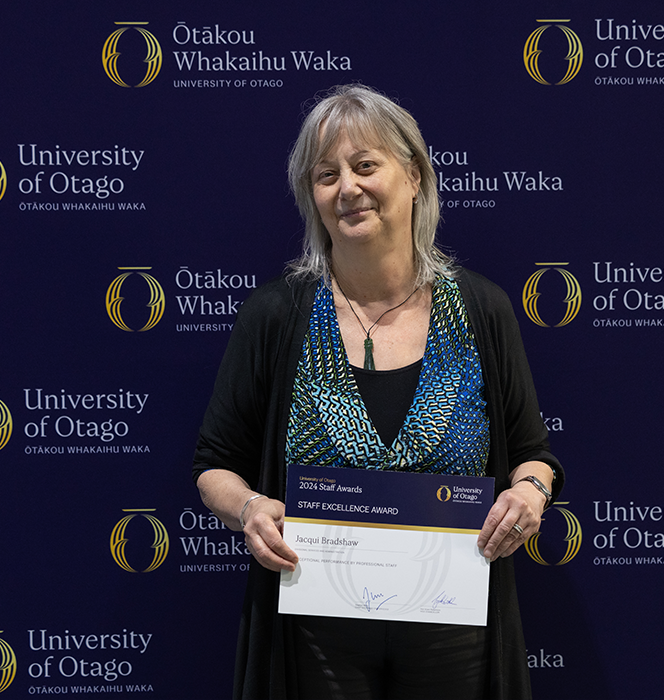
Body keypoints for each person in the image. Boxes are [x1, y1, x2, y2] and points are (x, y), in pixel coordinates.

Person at [193, 83, 563, 700]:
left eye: (366, 166)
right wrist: (249, 509)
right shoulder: (276, 315)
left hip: (457, 635)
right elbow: (214, 466)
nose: (347, 188)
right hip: (314, 634)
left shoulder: (482, 309)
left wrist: (529, 492)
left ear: (413, 175)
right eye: (327, 174)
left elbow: (535, 453)